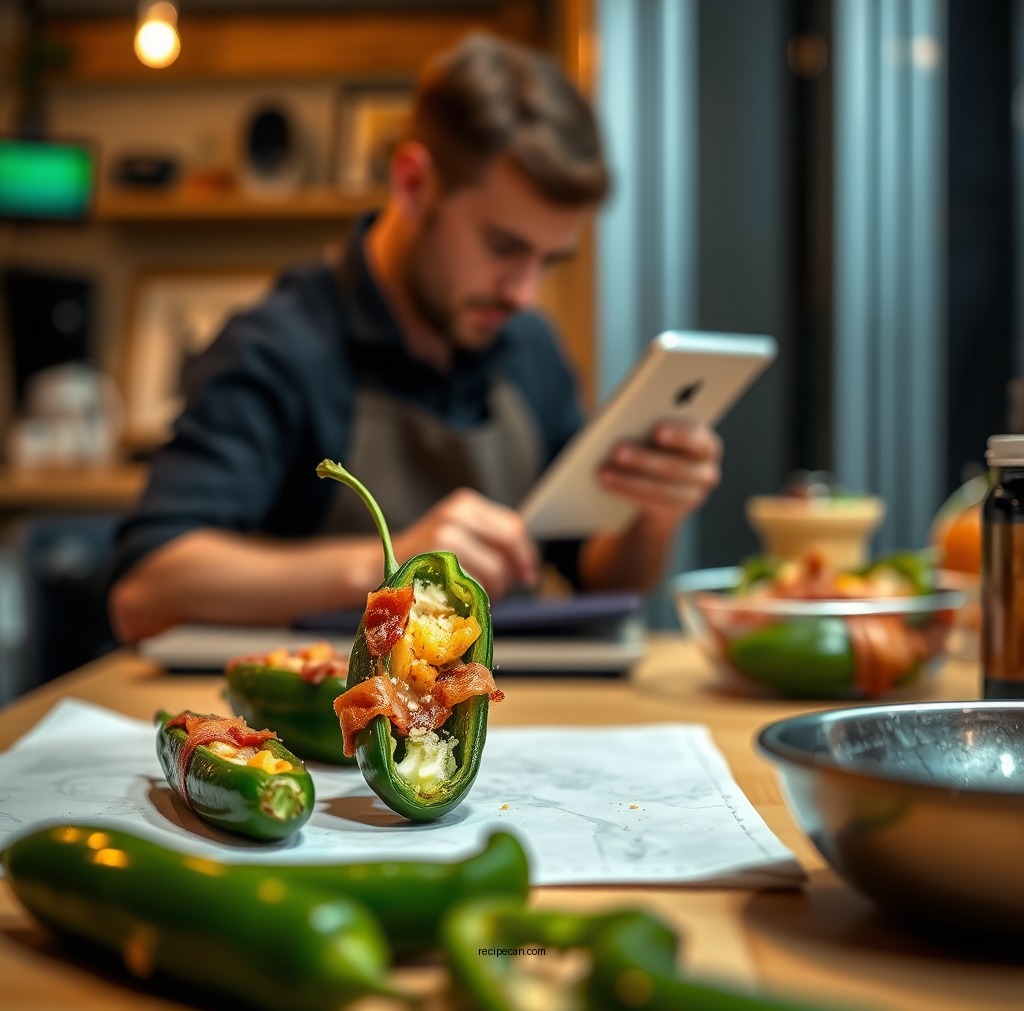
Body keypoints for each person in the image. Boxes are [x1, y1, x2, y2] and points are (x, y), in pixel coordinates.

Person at [108, 32, 722, 644]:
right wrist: (393, 563)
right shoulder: (277, 348)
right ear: (412, 183)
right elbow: (145, 592)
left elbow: (598, 578)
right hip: (329, 729)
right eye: (504, 248)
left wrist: (651, 516)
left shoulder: (530, 348)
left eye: (550, 261)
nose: (523, 294)